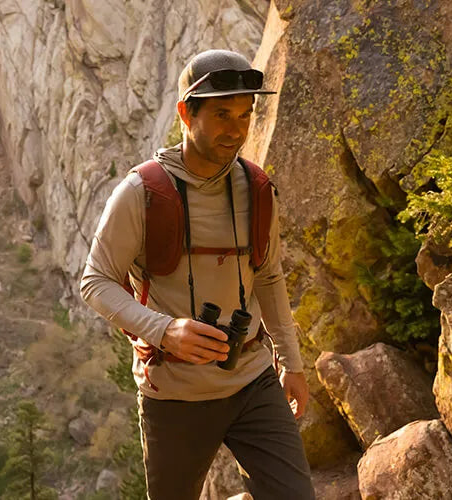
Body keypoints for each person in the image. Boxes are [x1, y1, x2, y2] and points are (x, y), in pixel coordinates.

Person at [80, 49, 315, 500]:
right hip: (174, 393)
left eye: (246, 115)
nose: (237, 129)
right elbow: (95, 281)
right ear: (186, 113)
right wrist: (165, 330)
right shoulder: (141, 194)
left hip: (251, 379)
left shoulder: (259, 190)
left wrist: (292, 364)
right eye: (223, 114)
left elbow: (268, 278)